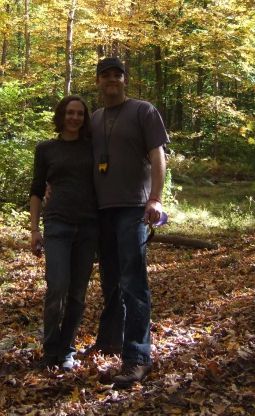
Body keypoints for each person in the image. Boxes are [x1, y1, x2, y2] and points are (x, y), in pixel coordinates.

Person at [88, 57, 169, 388]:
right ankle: (110, 340)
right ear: (97, 81)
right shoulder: (93, 119)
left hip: (134, 207)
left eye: (117, 75)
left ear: (125, 80)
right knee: (109, 280)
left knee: (133, 283)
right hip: (100, 210)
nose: (111, 80)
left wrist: (156, 198)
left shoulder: (144, 111)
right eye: (105, 75)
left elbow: (158, 156)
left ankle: (137, 357)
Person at [29, 95, 99, 371]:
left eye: (80, 114)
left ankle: (66, 350)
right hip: (56, 224)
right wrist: (34, 229)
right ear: (61, 116)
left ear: (85, 119)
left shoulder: (93, 148)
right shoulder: (45, 149)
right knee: (57, 287)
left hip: (88, 226)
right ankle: (50, 348)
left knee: (78, 293)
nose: (74, 118)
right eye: (70, 113)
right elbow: (36, 189)